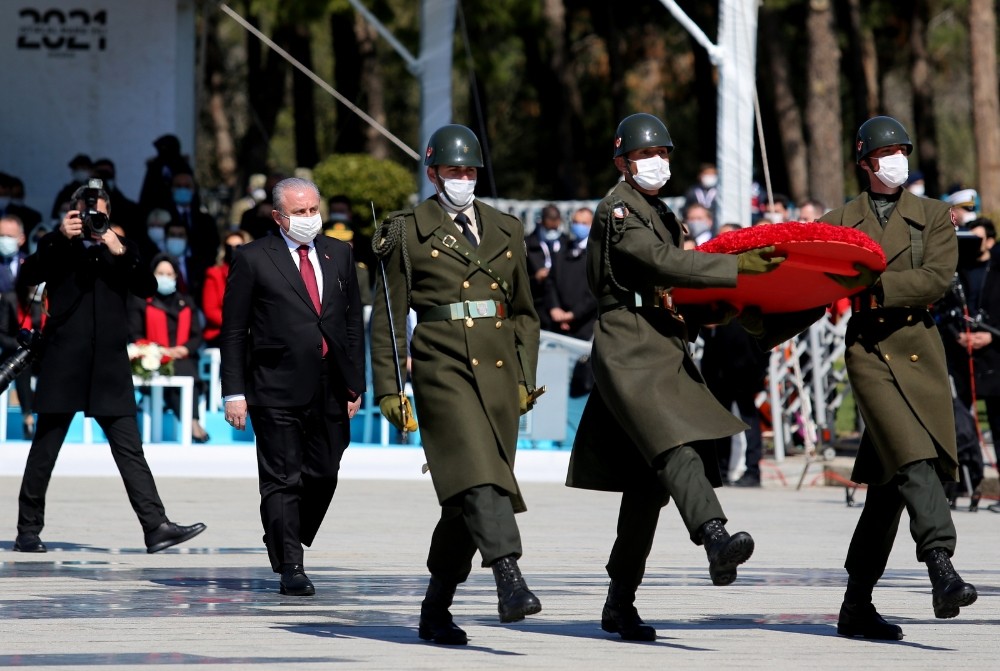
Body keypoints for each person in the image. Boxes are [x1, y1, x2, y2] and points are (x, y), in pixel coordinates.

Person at [566, 112, 783, 641]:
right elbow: (658, 263)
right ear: (622, 162)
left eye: (663, 154)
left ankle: (619, 602)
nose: (657, 163)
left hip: (662, 339)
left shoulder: (660, 212)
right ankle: (714, 536)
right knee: (674, 443)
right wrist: (735, 269)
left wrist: (731, 306)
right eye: (645, 155)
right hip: (627, 344)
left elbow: (675, 289)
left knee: (646, 489)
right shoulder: (618, 209)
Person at [370, 124, 542, 646]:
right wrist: (388, 387)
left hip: (496, 375)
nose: (461, 178)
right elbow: (389, 318)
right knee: (480, 479)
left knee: (465, 499)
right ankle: (509, 578)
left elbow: (525, 315)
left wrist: (523, 377)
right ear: (433, 173)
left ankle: (435, 608)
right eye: (452, 170)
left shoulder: (506, 228)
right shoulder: (406, 229)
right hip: (441, 365)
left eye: (468, 171)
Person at [817, 116, 977, 639]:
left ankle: (855, 605)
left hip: (918, 349)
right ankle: (941, 566)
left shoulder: (933, 215)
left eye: (902, 150)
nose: (896, 159)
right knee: (913, 455)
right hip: (869, 351)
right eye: (885, 152)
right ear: (864, 163)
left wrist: (867, 281)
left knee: (887, 489)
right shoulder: (839, 219)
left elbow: (936, 277)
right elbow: (810, 274)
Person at [13, 179, 205, 554]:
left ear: (109, 215)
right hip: (63, 361)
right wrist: (59, 237)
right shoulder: (55, 245)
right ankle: (28, 530)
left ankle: (156, 527)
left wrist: (117, 247)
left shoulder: (123, 248)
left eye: (99, 214)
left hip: (109, 367)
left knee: (130, 449)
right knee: (45, 449)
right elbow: (28, 277)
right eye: (86, 214)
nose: (91, 220)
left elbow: (148, 288)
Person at [220, 177, 365, 597]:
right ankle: (291, 565)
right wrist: (235, 392)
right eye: (299, 212)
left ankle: (282, 533)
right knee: (282, 477)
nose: (309, 218)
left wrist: (355, 382)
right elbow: (234, 330)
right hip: (274, 384)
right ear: (278, 216)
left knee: (324, 471)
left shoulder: (339, 253)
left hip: (330, 382)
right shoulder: (252, 258)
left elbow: (353, 321)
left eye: (313, 209)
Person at [128, 253, 210, 443]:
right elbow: (135, 334)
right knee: (173, 369)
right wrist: (158, 351)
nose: (164, 277)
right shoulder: (141, 300)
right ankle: (192, 423)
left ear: (175, 277)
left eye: (169, 274)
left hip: (182, 356)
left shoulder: (186, 302)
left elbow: (197, 335)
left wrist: (183, 349)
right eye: (160, 273)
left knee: (186, 368)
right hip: (152, 357)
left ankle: (192, 421)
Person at [0, 213, 35, 438]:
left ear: (21, 239)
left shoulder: (30, 265)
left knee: (22, 357)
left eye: (8, 236)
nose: (4, 240)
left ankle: (28, 415)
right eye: (1, 235)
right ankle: (28, 416)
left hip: (20, 334)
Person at [545, 207, 598, 340]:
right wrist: (555, 308)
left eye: (584, 223)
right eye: (575, 222)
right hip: (558, 323)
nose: (578, 226)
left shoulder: (597, 254)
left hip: (586, 325)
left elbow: (595, 290)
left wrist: (573, 314)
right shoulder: (562, 250)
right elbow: (550, 282)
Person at [201, 230, 252, 348]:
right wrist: (238, 326)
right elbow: (211, 311)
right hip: (223, 333)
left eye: (239, 246)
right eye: (229, 247)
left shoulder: (257, 273)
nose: (234, 250)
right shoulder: (214, 274)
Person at [525, 203, 569, 332]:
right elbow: (519, 278)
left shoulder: (566, 242)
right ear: (542, 222)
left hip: (561, 302)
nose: (552, 232)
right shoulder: (528, 244)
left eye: (555, 228)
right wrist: (536, 278)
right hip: (538, 301)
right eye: (549, 228)